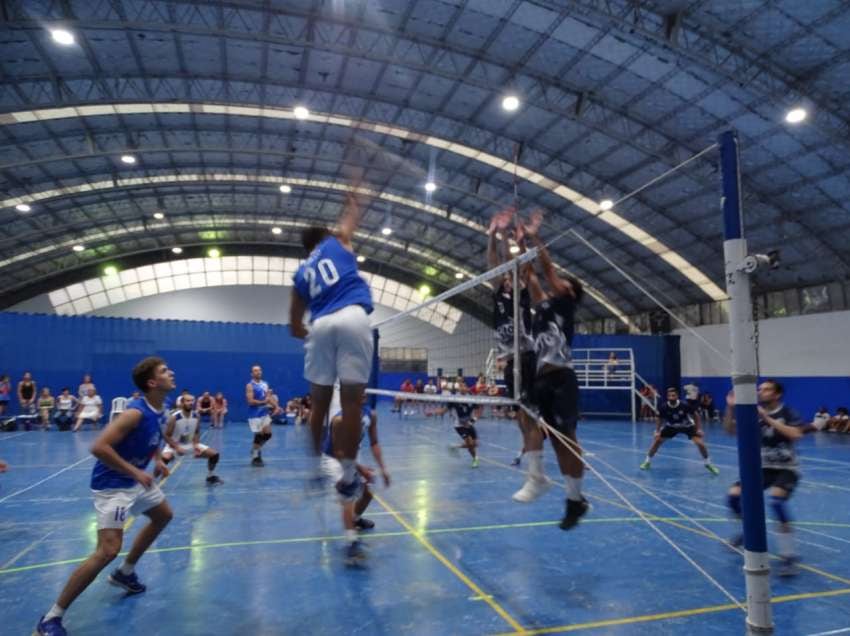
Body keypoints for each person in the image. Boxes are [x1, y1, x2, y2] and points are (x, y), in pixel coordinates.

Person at [35, 357, 175, 636]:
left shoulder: (163, 408)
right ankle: (51, 618)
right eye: (163, 371)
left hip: (135, 480)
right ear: (152, 382)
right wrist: (136, 471)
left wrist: (157, 459)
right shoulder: (134, 413)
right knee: (107, 550)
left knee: (163, 516)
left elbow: (155, 437)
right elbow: (99, 447)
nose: (170, 372)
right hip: (113, 485)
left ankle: (126, 573)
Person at [290, 189, 375, 505]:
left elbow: (294, 325)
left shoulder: (301, 273)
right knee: (352, 403)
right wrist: (353, 201)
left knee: (319, 405)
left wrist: (311, 336)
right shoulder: (337, 242)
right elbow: (351, 219)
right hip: (354, 316)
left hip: (321, 325)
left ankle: (314, 469)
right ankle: (349, 477)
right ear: (324, 237)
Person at [522, 211, 587, 529]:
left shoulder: (565, 303)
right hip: (541, 379)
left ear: (570, 293)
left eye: (563, 282)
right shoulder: (543, 307)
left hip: (562, 376)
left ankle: (575, 499)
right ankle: (539, 478)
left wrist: (535, 236)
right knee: (532, 425)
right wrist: (519, 243)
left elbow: (546, 270)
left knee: (566, 440)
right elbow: (530, 275)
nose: (556, 282)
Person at [487, 208, 547, 503]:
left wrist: (521, 243)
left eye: (512, 278)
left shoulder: (522, 293)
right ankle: (535, 469)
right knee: (519, 418)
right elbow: (494, 264)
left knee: (528, 416)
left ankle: (536, 475)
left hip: (526, 355)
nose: (508, 279)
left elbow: (524, 267)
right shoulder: (499, 292)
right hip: (509, 360)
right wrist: (494, 236)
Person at [724, 380, 805, 576]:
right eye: (759, 389)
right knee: (733, 496)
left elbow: (796, 434)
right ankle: (748, 532)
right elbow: (730, 430)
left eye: (766, 389)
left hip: (786, 468)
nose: (760, 392)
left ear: (777, 394)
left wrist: (767, 418)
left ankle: (789, 556)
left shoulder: (788, 412)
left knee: (776, 502)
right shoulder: (754, 413)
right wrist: (730, 407)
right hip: (761, 468)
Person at [321, 391, 390, 566]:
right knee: (349, 495)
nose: (363, 392)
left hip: (354, 454)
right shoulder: (339, 421)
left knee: (368, 493)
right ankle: (351, 546)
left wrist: (383, 469)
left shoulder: (370, 415)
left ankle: (355, 520)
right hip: (335, 458)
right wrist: (361, 469)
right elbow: (339, 452)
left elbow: (374, 442)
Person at [639, 387, 719, 474]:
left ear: (677, 396)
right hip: (671, 427)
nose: (671, 397)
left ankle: (708, 463)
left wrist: (698, 429)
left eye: (673, 395)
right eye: (669, 396)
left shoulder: (685, 405)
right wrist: (657, 431)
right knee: (657, 441)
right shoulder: (663, 407)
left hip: (687, 426)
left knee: (700, 444)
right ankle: (647, 462)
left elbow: (696, 415)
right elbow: (659, 418)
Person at [161, 394, 222, 485]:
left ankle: (210, 476)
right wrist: (176, 447)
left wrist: (196, 444)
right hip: (174, 445)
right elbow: (166, 435)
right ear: (182, 403)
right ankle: (154, 481)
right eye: (188, 401)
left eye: (192, 401)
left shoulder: (196, 415)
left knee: (214, 454)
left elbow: (196, 431)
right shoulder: (174, 417)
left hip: (190, 444)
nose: (191, 403)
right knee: (165, 458)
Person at [436, 382, 479, 468]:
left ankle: (455, 447)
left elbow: (478, 411)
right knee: (470, 443)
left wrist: (472, 421)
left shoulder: (471, 398)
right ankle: (475, 459)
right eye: (461, 387)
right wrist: (434, 412)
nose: (462, 388)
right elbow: (444, 410)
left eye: (464, 386)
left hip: (469, 424)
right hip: (459, 425)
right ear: (458, 389)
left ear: (467, 388)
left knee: (475, 444)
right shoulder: (454, 399)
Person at [245, 365, 273, 467]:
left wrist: (276, 406)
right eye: (255, 371)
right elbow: (250, 401)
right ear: (252, 374)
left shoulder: (265, 384)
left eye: (259, 370)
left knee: (268, 435)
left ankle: (255, 449)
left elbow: (268, 398)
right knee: (259, 435)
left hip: (264, 413)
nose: (258, 372)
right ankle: (256, 457)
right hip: (254, 414)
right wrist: (263, 402)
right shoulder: (250, 385)